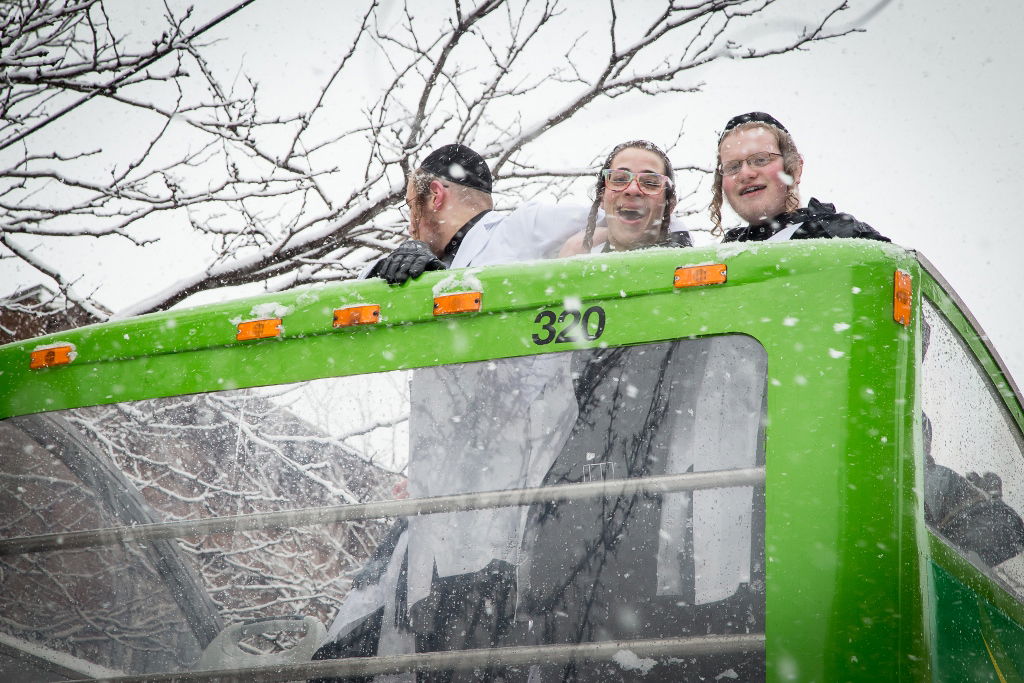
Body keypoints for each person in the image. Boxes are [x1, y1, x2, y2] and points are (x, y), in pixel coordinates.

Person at [711, 111, 890, 243]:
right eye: (733, 167)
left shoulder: (839, 235)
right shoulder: (719, 259)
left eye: (760, 159)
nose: (745, 174)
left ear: (795, 168)